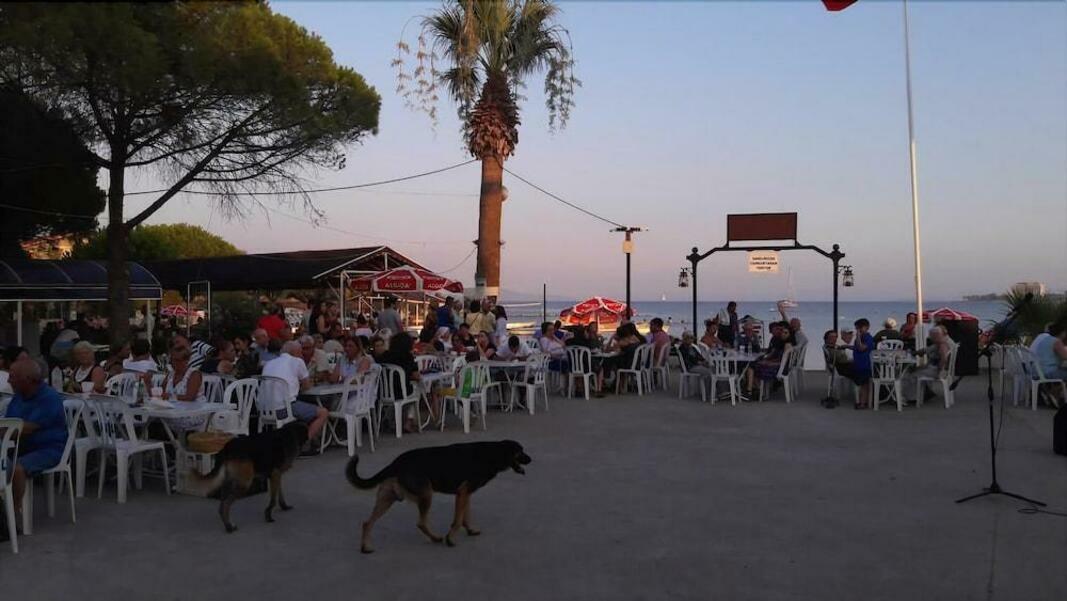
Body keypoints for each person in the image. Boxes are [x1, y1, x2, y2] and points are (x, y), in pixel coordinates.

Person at [2, 359, 67, 535]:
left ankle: (11, 515)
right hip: (20, 446)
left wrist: (4, 430)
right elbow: (10, 423)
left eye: (12, 377)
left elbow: (26, 428)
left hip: (48, 449)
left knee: (16, 469)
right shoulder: (19, 396)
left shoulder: (49, 398)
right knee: (2, 465)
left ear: (27, 380)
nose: (8, 380)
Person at [262, 341, 328, 452]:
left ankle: (297, 439)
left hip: (264, 409)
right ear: (295, 352)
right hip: (283, 408)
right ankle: (303, 444)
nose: (302, 355)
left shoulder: (269, 363)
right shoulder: (297, 361)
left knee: (302, 405)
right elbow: (307, 386)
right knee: (323, 412)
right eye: (301, 352)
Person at [159, 334, 209, 431]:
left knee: (158, 424)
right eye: (172, 360)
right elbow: (161, 392)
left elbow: (190, 397)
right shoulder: (170, 375)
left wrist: (170, 396)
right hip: (173, 412)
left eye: (177, 361)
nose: (174, 364)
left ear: (186, 361)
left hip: (191, 414)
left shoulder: (194, 374)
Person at [378, 332, 423, 433]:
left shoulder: (385, 355)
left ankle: (390, 418)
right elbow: (416, 376)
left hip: (384, 392)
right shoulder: (407, 357)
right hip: (401, 391)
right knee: (417, 390)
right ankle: (409, 421)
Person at [744, 322, 794, 398]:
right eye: (781, 331)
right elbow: (774, 354)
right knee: (753, 365)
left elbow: (782, 361)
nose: (782, 333)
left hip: (779, 369)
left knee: (752, 367)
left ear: (790, 333)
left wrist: (768, 362)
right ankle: (756, 389)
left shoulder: (787, 344)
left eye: (785, 332)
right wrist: (766, 360)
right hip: (778, 365)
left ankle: (752, 390)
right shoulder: (781, 341)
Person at [596, 322, 643, 396]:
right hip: (636, 363)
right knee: (612, 360)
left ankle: (605, 380)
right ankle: (617, 385)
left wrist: (611, 338)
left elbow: (607, 350)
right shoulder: (634, 338)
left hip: (629, 364)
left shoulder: (624, 341)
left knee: (609, 360)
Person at [849, 318, 875, 409]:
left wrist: (858, 336)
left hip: (865, 365)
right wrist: (847, 346)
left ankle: (863, 403)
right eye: (857, 328)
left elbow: (861, 348)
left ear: (867, 327)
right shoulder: (859, 338)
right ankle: (862, 401)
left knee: (864, 385)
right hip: (858, 364)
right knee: (861, 384)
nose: (858, 330)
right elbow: (856, 347)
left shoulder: (868, 338)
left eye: (860, 328)